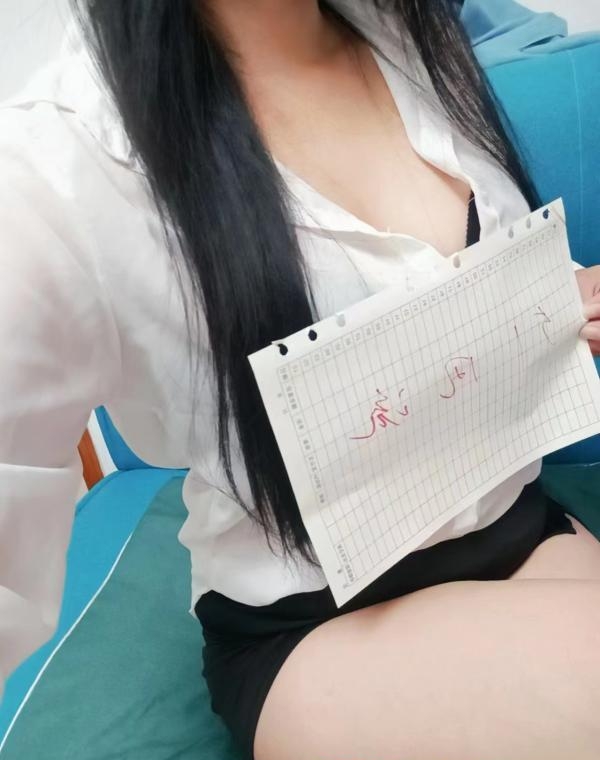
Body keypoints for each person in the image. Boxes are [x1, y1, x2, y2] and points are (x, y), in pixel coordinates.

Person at [1, 2, 600, 759]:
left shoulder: (413, 33)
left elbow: (449, 271)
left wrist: (562, 294)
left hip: (518, 524)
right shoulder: (55, 173)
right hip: (314, 623)